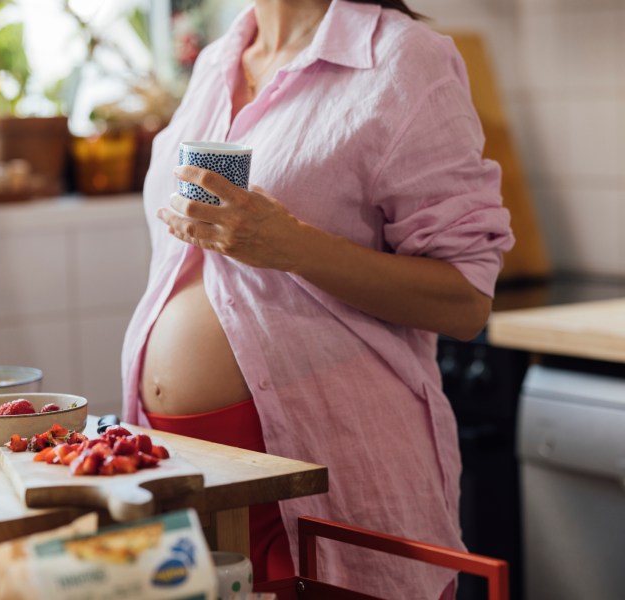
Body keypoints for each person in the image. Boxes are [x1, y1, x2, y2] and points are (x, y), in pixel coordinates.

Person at [120, 0, 514, 598]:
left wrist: (290, 245)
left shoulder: (400, 59)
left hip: (326, 476)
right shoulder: (220, 58)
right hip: (185, 475)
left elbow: (465, 300)